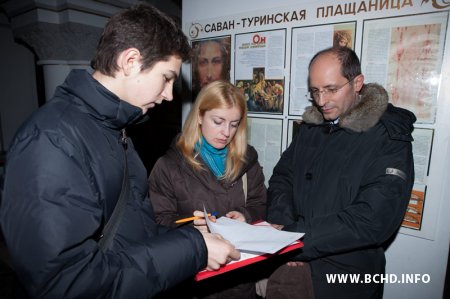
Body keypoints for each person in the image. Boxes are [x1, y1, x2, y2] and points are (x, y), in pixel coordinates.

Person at [0, 4, 240, 298]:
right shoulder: (52, 140)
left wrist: (191, 237)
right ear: (130, 61)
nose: (168, 95)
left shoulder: (115, 128)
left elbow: (129, 235)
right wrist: (193, 248)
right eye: (166, 78)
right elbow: (65, 283)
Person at [266, 46, 415, 299]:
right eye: (315, 91)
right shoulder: (312, 128)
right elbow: (283, 177)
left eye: (331, 89)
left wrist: (294, 239)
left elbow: (372, 219)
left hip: (347, 279)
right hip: (292, 269)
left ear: (357, 83)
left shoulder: (388, 137)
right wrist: (281, 223)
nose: (322, 101)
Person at [148, 80, 267, 298]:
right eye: (218, 121)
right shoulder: (168, 166)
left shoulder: (247, 160)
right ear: (200, 116)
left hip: (241, 281)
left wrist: (245, 215)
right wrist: (190, 227)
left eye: (234, 124)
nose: (226, 132)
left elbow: (260, 203)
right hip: (193, 283)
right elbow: (156, 223)